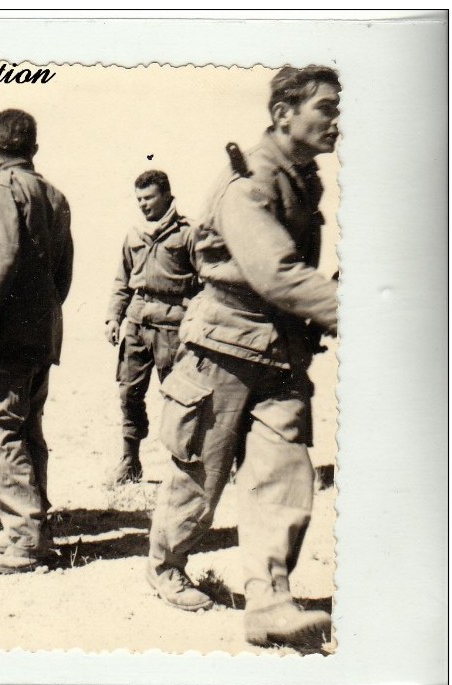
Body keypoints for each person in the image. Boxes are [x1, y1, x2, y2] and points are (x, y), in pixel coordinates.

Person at [145, 66, 340, 648]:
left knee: (283, 474)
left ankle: (269, 599)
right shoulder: (249, 181)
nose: (336, 120)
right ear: (284, 114)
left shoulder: (302, 180)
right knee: (200, 474)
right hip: (224, 349)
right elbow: (276, 273)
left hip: (281, 354)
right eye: (326, 107)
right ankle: (166, 565)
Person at [0, 109, 74, 574]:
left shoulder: (1, 188)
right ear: (34, 148)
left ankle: (26, 541)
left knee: (1, 429)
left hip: (6, 335)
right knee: (28, 428)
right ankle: (35, 532)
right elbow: (63, 273)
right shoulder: (55, 194)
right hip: (41, 332)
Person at [105, 170, 199, 483]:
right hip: (136, 323)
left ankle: (183, 464)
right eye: (139, 199)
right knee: (129, 393)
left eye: (149, 198)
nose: (143, 205)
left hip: (173, 326)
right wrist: (113, 318)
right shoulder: (134, 235)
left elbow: (205, 283)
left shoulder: (188, 233)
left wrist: (195, 322)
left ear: (167, 195)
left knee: (179, 397)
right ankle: (130, 461)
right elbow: (122, 280)